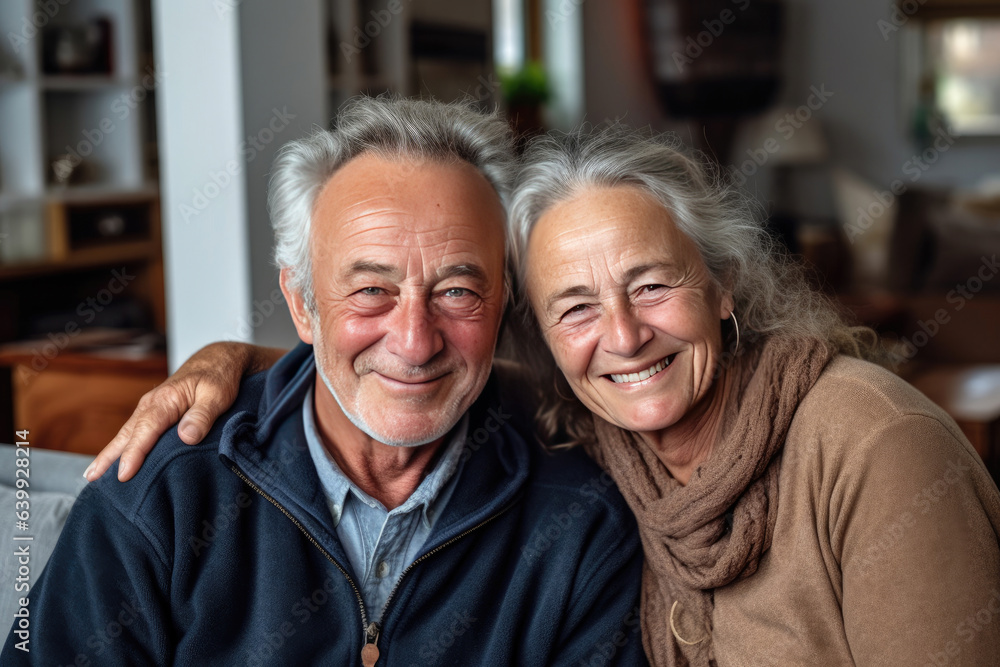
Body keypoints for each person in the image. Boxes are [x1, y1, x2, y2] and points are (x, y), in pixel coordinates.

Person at [87, 125, 1000, 666]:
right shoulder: (584, 422)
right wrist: (240, 359)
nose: (624, 337)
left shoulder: (872, 446)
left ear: (723, 285)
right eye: (575, 306)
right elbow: (409, 369)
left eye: (652, 284)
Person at [2, 98, 649, 666]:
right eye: (371, 290)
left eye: (457, 290)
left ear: (506, 302)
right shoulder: (162, 496)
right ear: (303, 304)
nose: (414, 341)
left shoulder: (578, 518)